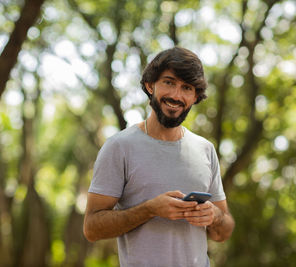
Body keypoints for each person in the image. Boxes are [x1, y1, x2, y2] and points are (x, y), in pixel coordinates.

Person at [83, 47, 235, 267]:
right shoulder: (119, 146)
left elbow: (224, 231)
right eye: (169, 82)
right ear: (150, 85)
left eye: (186, 88)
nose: (176, 95)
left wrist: (215, 217)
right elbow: (91, 228)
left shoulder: (206, 150)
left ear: (195, 97)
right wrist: (149, 210)